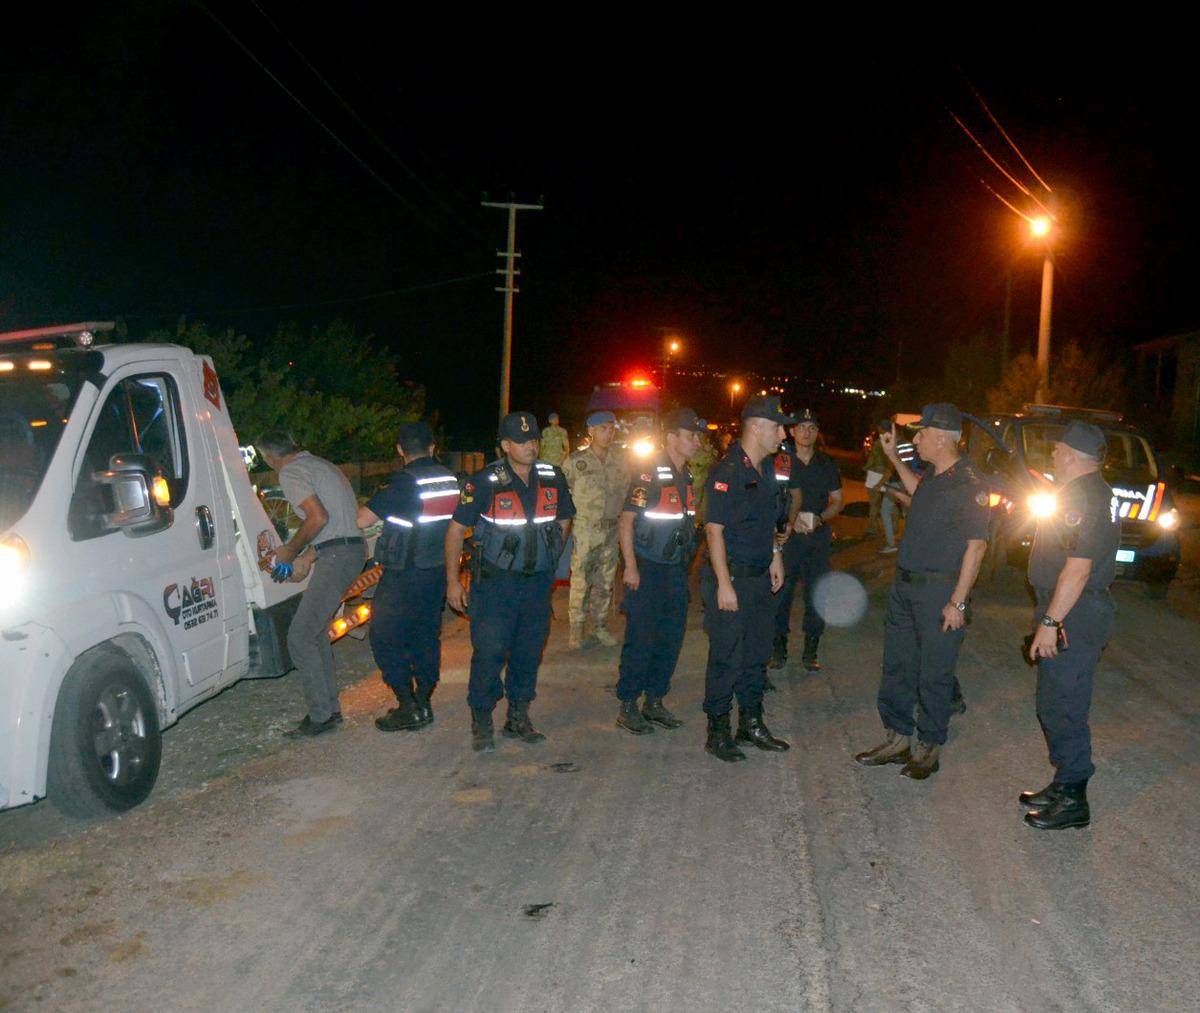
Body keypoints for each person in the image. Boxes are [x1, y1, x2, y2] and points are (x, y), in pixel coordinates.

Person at [854, 403, 988, 778]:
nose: (918, 439)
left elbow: (977, 547)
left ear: (944, 438)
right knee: (897, 667)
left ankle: (929, 745)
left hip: (940, 591)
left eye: (923, 433)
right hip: (906, 587)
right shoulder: (934, 475)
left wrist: (958, 602)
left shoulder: (969, 484)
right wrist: (895, 458)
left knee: (934, 672)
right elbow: (919, 493)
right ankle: (897, 738)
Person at [444, 412, 575, 752]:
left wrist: (551, 554)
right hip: (495, 585)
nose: (530, 446)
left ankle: (518, 716)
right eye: (521, 441)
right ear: (505, 445)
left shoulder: (552, 476)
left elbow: (564, 518)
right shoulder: (484, 481)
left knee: (529, 651)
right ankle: (482, 719)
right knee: (489, 652)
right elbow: (456, 531)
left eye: (533, 440)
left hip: (536, 584)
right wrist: (453, 581)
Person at [1021, 421, 1119, 830]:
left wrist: (1050, 621)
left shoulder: (1085, 496)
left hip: (1074, 612)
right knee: (1052, 701)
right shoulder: (1088, 491)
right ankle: (1063, 782)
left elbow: (1077, 571)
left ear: (1073, 455)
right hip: (1071, 610)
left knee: (1065, 706)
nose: (1053, 456)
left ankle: (1074, 796)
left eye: (1057, 450)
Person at [701, 395, 794, 762]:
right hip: (732, 579)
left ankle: (751, 723)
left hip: (758, 578)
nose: (783, 434)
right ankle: (718, 729)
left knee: (756, 653)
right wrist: (724, 583)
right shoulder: (728, 472)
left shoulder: (766, 469)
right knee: (727, 655)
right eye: (778, 426)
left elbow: (766, 521)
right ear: (756, 426)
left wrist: (775, 556)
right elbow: (714, 530)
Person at [257, 430, 366, 738]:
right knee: (315, 632)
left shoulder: (291, 472)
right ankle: (329, 711)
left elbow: (317, 518)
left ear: (268, 456)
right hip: (345, 550)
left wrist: (290, 551)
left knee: (300, 636)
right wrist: (308, 556)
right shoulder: (322, 465)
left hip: (339, 555)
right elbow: (336, 524)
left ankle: (321, 717)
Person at [356, 421, 459, 733]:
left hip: (405, 574)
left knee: (384, 637)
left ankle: (407, 704)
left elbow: (362, 519)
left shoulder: (403, 483)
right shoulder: (450, 479)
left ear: (400, 450)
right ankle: (424, 700)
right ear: (433, 448)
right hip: (437, 570)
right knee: (426, 636)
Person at [614, 408, 706, 735]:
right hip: (647, 568)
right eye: (691, 435)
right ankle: (628, 705)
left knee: (670, 637)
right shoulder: (648, 474)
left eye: (698, 436)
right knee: (641, 638)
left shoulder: (688, 477)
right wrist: (631, 568)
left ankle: (654, 701)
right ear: (672, 438)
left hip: (674, 571)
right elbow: (627, 521)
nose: (697, 441)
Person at [768, 409, 843, 673]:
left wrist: (819, 518)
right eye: (802, 427)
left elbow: (838, 501)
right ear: (792, 431)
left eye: (812, 427)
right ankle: (778, 648)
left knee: (817, 593)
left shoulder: (826, 463)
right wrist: (791, 519)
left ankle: (811, 650)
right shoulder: (780, 461)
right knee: (780, 593)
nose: (807, 432)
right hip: (787, 537)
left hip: (817, 538)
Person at [562, 410, 629, 649]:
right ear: (591, 431)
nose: (609, 433)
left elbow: (628, 496)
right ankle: (576, 630)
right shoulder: (575, 462)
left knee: (605, 582)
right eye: (603, 428)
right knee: (580, 580)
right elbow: (563, 498)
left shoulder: (621, 462)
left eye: (611, 428)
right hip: (585, 531)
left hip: (611, 530)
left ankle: (599, 626)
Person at [865, 419, 895, 543]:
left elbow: (872, 459)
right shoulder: (893, 441)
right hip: (889, 474)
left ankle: (873, 527)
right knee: (890, 501)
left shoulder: (879, 443)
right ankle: (894, 527)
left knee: (874, 502)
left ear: (881, 428)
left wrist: (866, 467)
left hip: (875, 473)